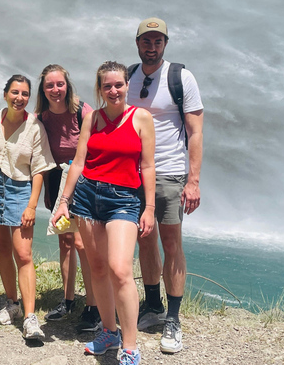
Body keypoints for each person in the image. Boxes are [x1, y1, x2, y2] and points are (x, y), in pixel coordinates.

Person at [51, 61, 156, 365]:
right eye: (107, 86)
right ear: (99, 89)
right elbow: (79, 162)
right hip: (87, 197)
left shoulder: (141, 118)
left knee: (120, 269)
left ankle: (130, 345)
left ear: (127, 86)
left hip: (124, 200)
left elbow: (148, 165)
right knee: (97, 268)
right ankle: (109, 332)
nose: (113, 91)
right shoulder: (92, 118)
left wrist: (149, 208)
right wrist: (64, 201)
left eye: (118, 85)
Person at [127, 18, 204, 354]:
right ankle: (153, 306)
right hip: (133, 173)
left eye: (158, 41)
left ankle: (173, 318)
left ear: (165, 44)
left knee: (171, 243)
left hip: (170, 172)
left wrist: (193, 180)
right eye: (146, 41)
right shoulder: (128, 76)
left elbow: (196, 131)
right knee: (145, 239)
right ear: (138, 43)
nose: (152, 46)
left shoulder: (181, 78)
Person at [0, 75, 55, 341]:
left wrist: (32, 205)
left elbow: (39, 169)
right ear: (5, 94)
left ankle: (30, 317)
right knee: (2, 249)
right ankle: (11, 303)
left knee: (23, 254)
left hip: (20, 190)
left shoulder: (35, 126)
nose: (19, 98)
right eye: (14, 92)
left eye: (24, 94)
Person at [35, 65, 101, 332]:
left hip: (83, 181)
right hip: (56, 180)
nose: (55, 90)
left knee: (83, 243)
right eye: (49, 85)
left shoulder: (82, 111)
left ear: (67, 85)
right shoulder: (41, 117)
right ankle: (68, 300)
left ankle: (93, 306)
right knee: (65, 241)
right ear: (43, 90)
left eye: (59, 84)